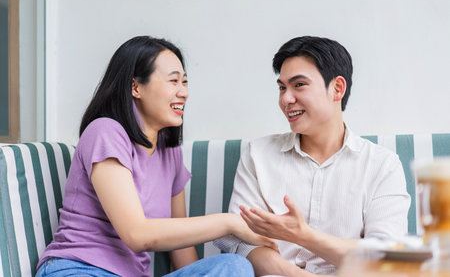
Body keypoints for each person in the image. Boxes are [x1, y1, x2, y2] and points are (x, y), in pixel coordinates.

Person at [35, 36, 277, 277]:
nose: (184, 92)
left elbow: (181, 249)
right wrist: (230, 223)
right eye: (173, 81)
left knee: (235, 266)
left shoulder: (169, 152)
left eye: (185, 82)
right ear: (136, 87)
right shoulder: (106, 131)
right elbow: (136, 234)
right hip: (80, 270)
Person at [214, 36, 411, 276]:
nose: (286, 99)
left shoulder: (382, 165)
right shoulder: (258, 154)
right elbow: (241, 243)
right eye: (282, 87)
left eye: (299, 85)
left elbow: (384, 257)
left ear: (337, 88)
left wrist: (303, 236)